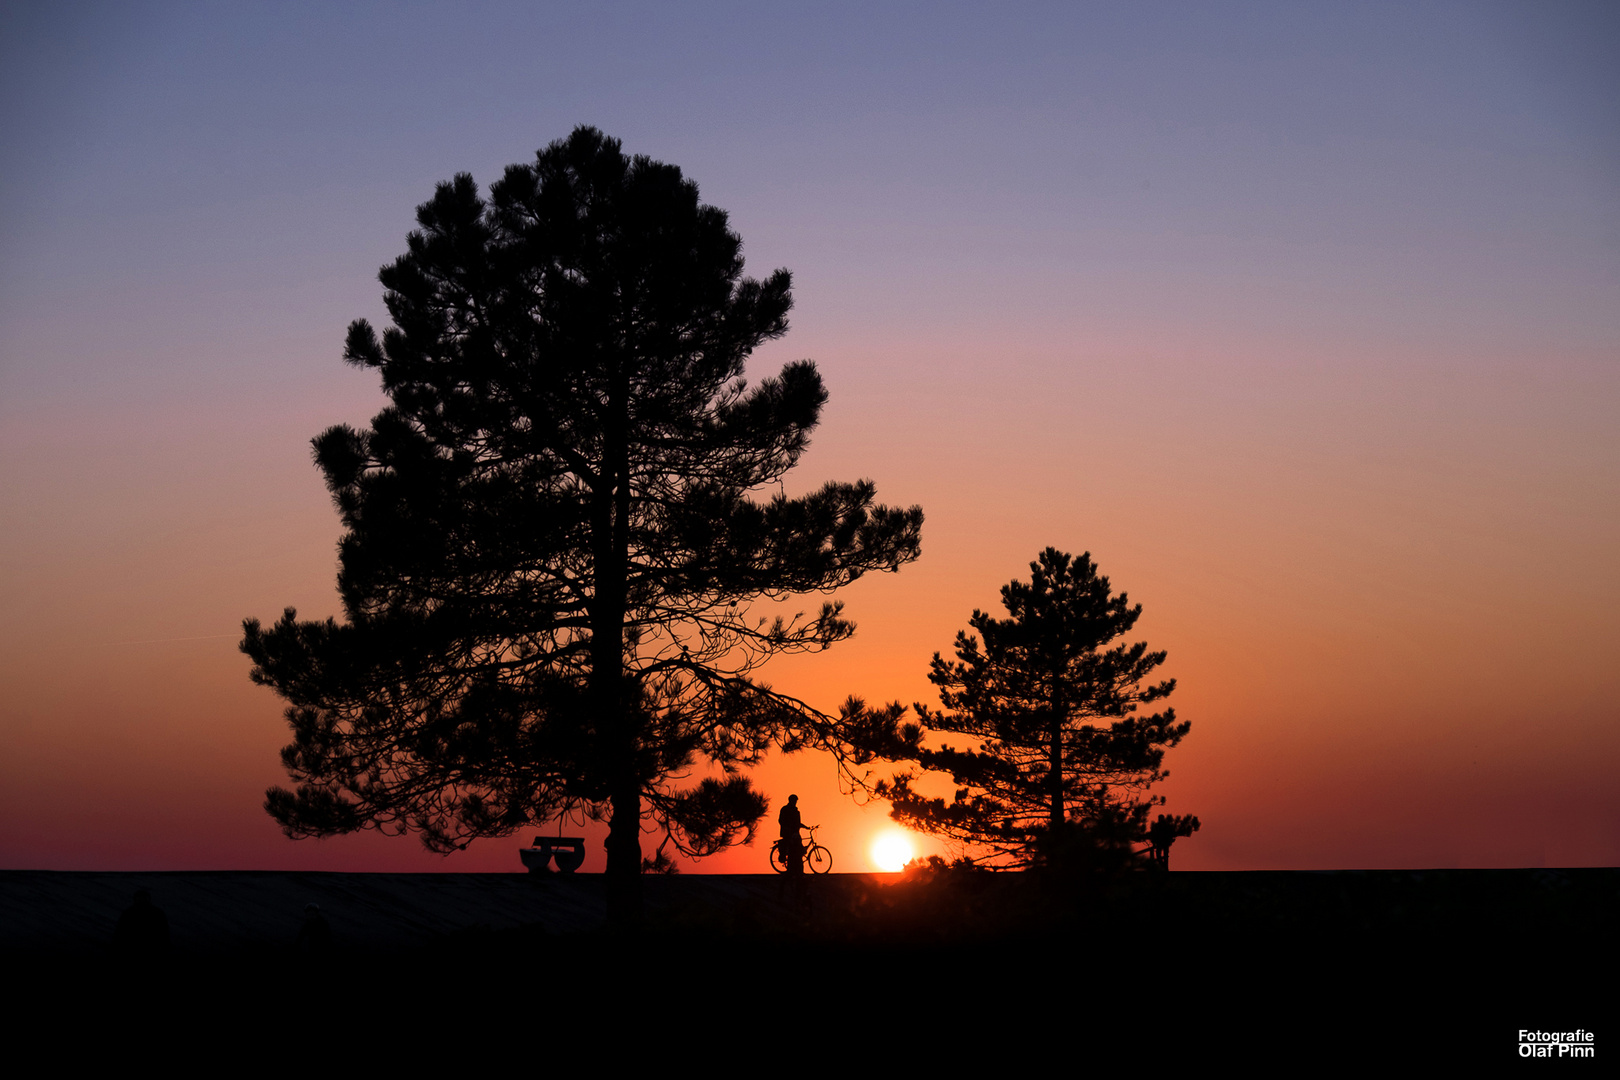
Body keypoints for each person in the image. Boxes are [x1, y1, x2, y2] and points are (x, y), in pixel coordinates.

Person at [777, 794, 806, 873]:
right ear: (790, 800)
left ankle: (799, 870)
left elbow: (798, 823)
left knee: (799, 852)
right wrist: (787, 827)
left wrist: (806, 827)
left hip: (796, 834)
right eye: (794, 800)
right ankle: (791, 870)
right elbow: (781, 820)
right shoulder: (785, 809)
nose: (795, 802)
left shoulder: (796, 811)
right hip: (788, 834)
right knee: (792, 851)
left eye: (796, 801)